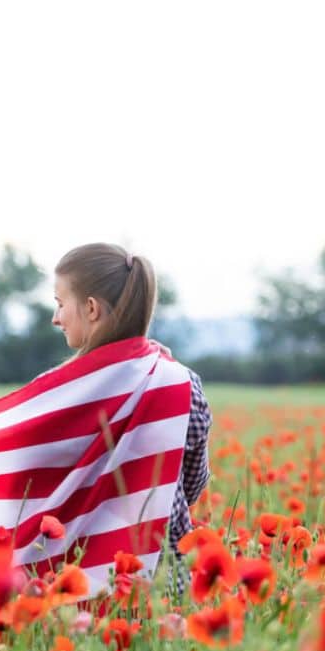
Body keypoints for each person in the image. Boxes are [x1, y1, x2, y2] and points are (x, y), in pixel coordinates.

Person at [51, 242, 212, 594]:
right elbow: (192, 482)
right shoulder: (182, 386)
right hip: (165, 574)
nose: (55, 317)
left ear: (91, 308)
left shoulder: (63, 395)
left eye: (60, 304)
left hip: (80, 574)